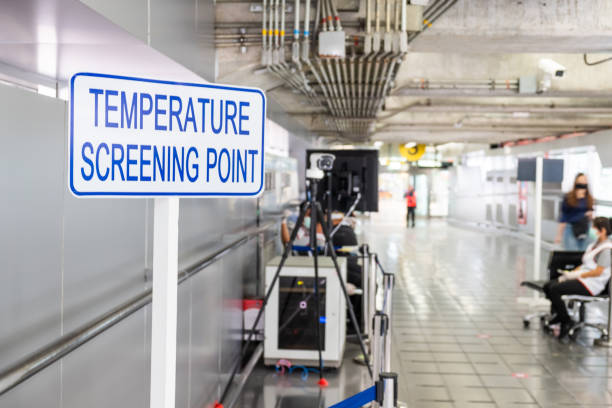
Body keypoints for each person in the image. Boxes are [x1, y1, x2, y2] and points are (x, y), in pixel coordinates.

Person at [544, 217, 612, 339]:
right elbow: (585, 264)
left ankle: (565, 320)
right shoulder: (594, 245)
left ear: (602, 230)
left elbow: (598, 271)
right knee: (548, 286)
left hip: (592, 284)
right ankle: (561, 315)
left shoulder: (606, 249)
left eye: (594, 228)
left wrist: (576, 275)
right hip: (583, 279)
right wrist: (569, 274)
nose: (591, 230)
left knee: (555, 289)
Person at [555, 173, 594, 251]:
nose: (583, 182)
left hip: (585, 228)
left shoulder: (589, 198)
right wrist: (559, 235)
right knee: (571, 255)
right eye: (581, 180)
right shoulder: (569, 197)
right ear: (576, 182)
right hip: (571, 228)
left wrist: (590, 215)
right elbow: (564, 216)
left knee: (582, 256)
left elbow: (590, 214)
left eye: (585, 180)